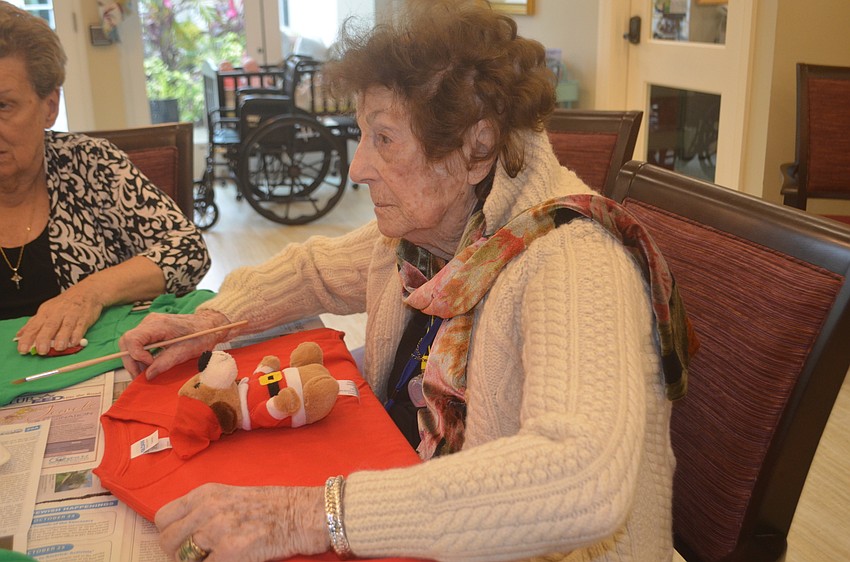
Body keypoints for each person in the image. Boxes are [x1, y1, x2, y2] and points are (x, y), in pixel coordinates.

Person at [119, 1, 694, 560]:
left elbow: (580, 478)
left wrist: (311, 515)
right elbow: (313, 272)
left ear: (477, 148)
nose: (357, 167)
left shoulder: (574, 259)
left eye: (385, 139)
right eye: (362, 134)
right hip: (413, 500)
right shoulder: (435, 233)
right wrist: (209, 322)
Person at [0, 1, 210, 355]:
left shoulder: (88, 164)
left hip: (90, 372)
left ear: (49, 107)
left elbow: (188, 250)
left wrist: (90, 292)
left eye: (3, 106)